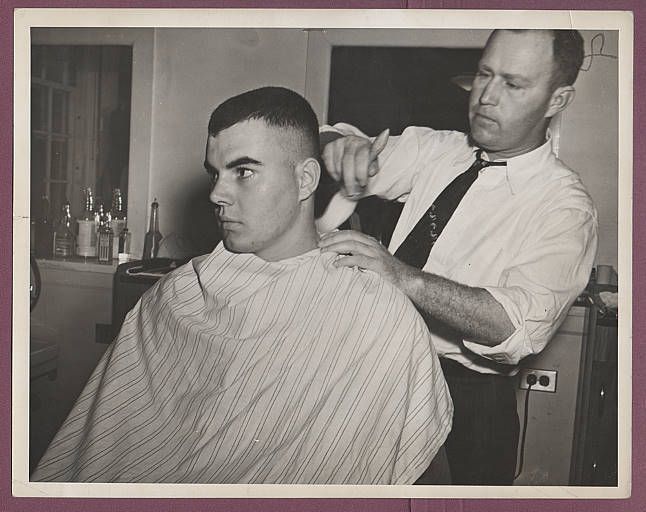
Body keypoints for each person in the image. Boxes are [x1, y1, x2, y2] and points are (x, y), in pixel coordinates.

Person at [32, 86, 453, 484]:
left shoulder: (375, 315)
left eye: (244, 172)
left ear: (306, 180)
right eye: (214, 173)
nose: (217, 193)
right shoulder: (172, 297)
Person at [317, 29, 598, 485]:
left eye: (513, 84)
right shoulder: (440, 150)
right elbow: (340, 139)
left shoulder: (564, 205)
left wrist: (403, 278)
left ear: (556, 100)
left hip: (467, 404)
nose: (486, 97)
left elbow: (519, 326)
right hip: (374, 371)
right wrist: (337, 143)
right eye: (485, 74)